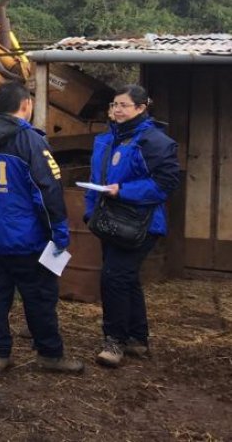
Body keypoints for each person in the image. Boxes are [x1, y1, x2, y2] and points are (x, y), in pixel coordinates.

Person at [0, 81, 84, 375]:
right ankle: (49, 354)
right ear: (25, 105)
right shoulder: (31, 142)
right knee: (39, 296)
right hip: (27, 240)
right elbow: (48, 190)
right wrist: (60, 234)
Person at [85, 84, 180, 367]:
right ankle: (137, 338)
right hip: (109, 221)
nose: (117, 110)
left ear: (141, 108)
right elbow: (95, 179)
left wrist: (123, 191)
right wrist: (91, 213)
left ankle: (114, 341)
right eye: (114, 105)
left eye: (124, 105)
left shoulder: (153, 141)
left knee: (114, 277)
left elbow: (166, 184)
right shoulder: (105, 140)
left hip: (140, 223)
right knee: (124, 278)